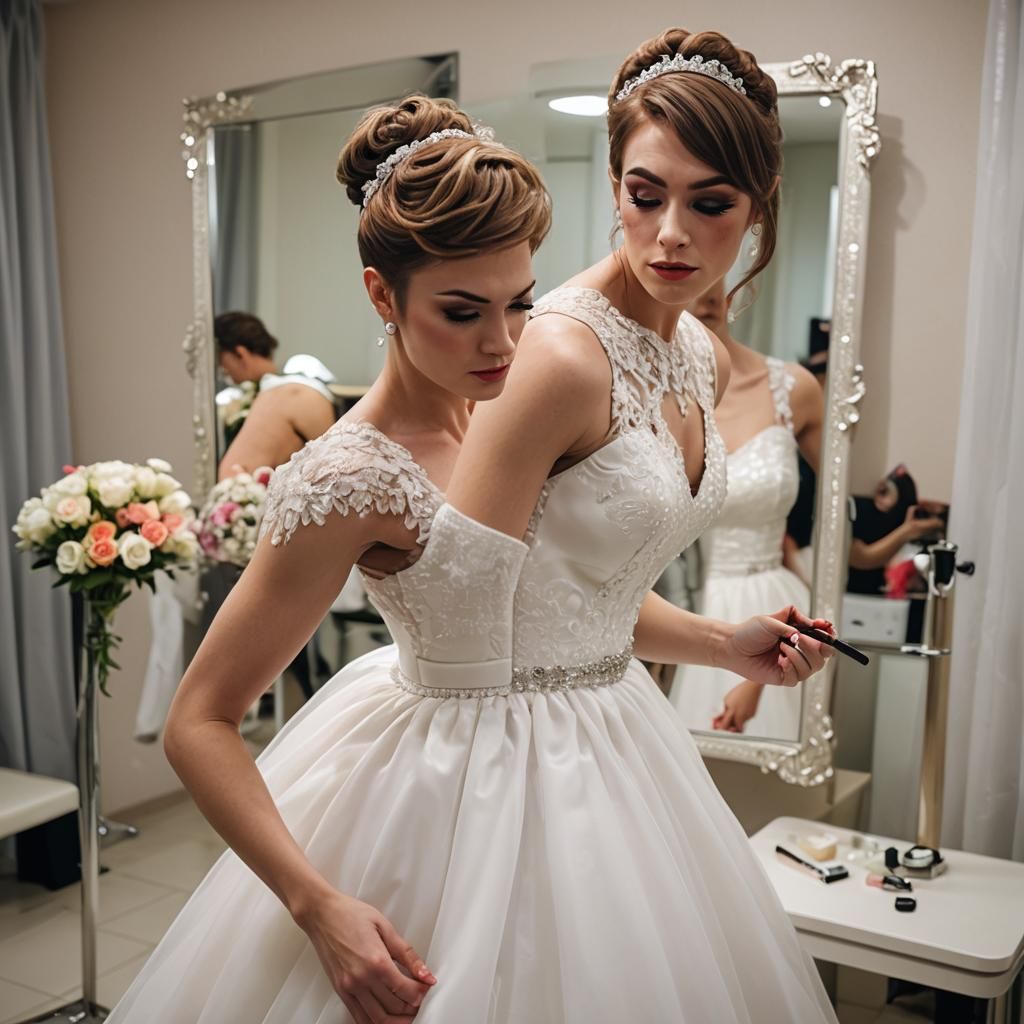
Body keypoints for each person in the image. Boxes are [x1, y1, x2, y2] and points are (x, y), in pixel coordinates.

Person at [420, 26, 838, 1020]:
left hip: (614, 716)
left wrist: (719, 641)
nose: (671, 236)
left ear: (758, 206)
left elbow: (576, 588)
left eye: (710, 203)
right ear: (612, 184)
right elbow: (452, 608)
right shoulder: (560, 356)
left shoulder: (689, 346)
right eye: (644, 195)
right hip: (510, 750)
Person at [109, 95, 552, 1023]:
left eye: (520, 304)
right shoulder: (345, 478)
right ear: (382, 295)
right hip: (434, 808)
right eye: (463, 311)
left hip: (560, 788)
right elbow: (201, 721)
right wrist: (316, 905)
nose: (502, 342)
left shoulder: (509, 412)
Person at [670, 278, 824, 737]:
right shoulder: (644, 395)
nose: (708, 288)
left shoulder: (794, 388)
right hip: (682, 612)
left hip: (775, 601)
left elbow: (840, 506)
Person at [214, 311, 337, 477]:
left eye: (223, 364)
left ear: (240, 354)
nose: (225, 373)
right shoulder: (284, 392)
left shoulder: (293, 393)